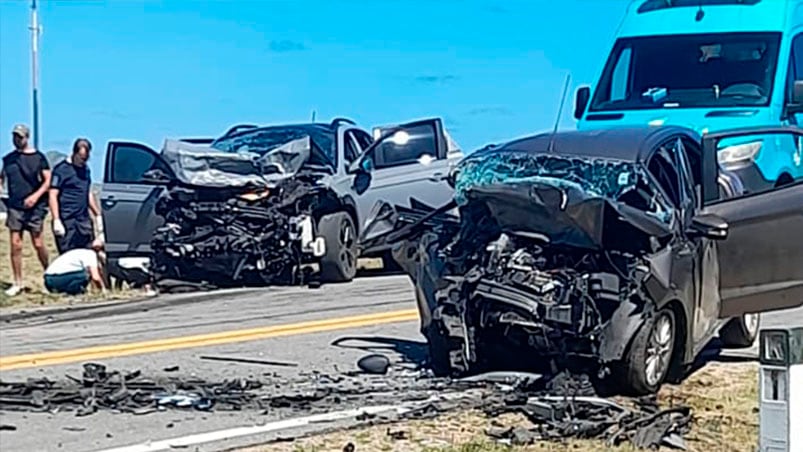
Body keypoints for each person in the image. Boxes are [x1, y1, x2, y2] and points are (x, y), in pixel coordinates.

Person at [0, 124, 51, 297]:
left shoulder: (39, 158)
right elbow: (2, 177)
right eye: (14, 136)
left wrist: (35, 197)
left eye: (20, 137)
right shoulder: (8, 159)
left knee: (38, 242)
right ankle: (17, 281)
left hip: (35, 207)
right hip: (15, 206)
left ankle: (49, 275)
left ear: (26, 138)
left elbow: (47, 181)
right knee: (15, 244)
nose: (16, 140)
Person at [49, 137, 100, 254]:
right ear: (74, 153)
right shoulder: (61, 170)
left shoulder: (86, 170)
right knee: (68, 255)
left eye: (86, 158)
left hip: (83, 221)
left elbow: (87, 192)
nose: (83, 161)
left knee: (89, 253)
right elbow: (53, 195)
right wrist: (56, 219)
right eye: (81, 158)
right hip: (67, 220)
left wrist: (97, 214)